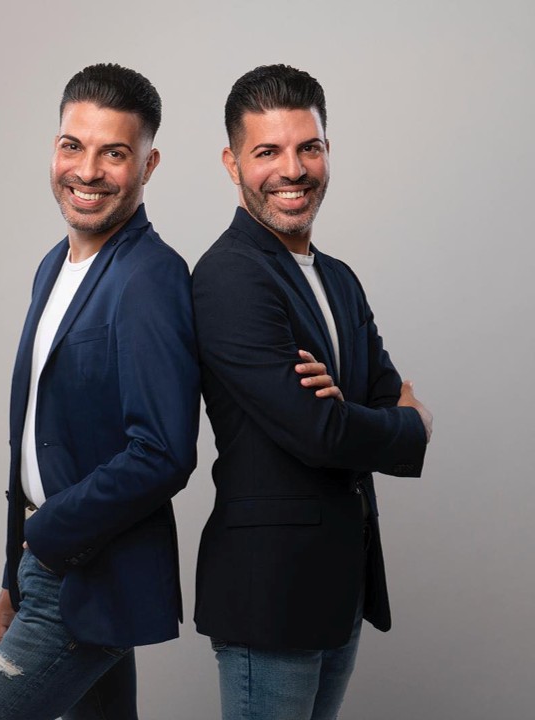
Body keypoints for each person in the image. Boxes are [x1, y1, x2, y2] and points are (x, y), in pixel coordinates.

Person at [0, 63, 199, 720]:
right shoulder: (52, 267)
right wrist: (14, 572)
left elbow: (164, 452)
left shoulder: (150, 278)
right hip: (47, 566)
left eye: (114, 153)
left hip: (87, 578)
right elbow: (39, 434)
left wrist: (46, 540)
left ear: (147, 165)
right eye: (72, 146)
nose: (87, 171)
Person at [192, 64, 433, 720]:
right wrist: (411, 424)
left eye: (309, 148)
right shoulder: (229, 278)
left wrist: (351, 411)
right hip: (270, 593)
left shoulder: (339, 279)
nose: (292, 169)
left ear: (328, 152)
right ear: (232, 163)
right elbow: (321, 432)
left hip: (340, 586)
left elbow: (377, 394)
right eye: (267, 151)